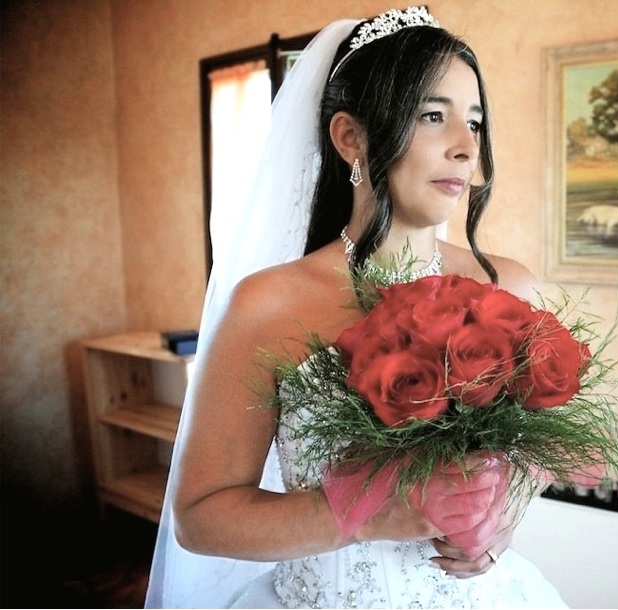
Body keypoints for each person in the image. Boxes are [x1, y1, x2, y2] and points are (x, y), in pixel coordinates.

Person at [146, 7, 566, 608]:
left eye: (474, 122)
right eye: (432, 116)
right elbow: (200, 517)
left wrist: (499, 525)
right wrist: (362, 513)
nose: (466, 148)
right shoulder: (270, 305)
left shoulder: (511, 287)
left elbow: (538, 451)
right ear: (351, 137)